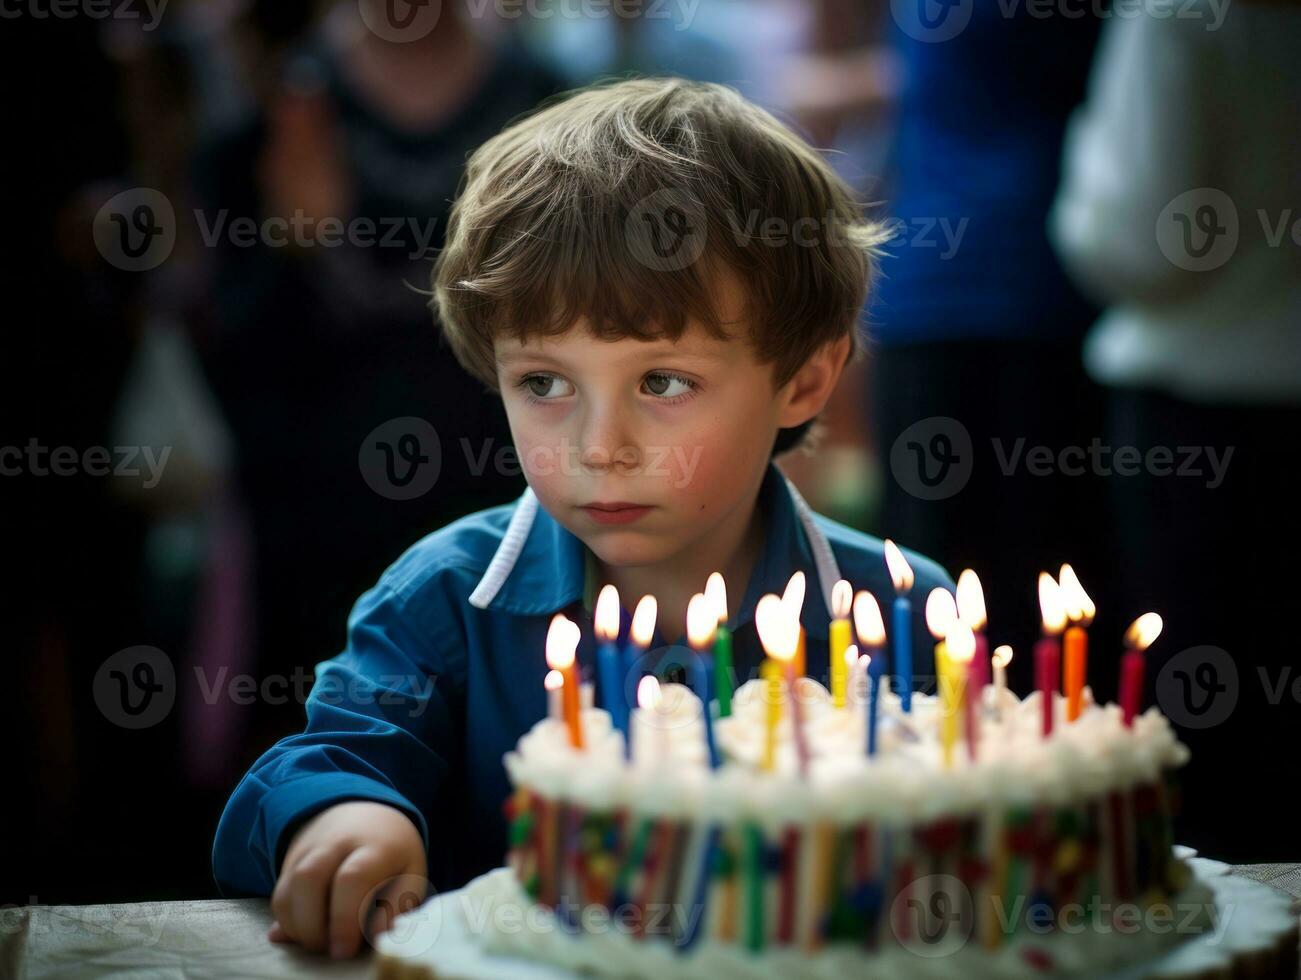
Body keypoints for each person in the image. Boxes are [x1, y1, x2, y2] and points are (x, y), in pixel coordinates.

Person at [211, 77, 953, 959]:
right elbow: (326, 758)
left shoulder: (901, 617)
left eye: (663, 382)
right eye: (544, 384)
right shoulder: (445, 601)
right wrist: (345, 815)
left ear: (802, 379)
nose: (600, 446)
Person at [1050, 0, 1301, 860]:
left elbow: (1132, 238)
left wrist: (1083, 183)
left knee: (1204, 767)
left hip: (1193, 407)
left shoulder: (1175, 15)